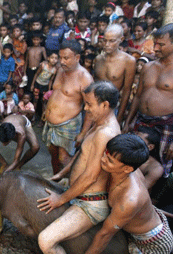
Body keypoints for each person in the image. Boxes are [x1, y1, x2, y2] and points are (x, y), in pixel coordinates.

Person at [37, 81, 121, 254]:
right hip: (79, 193)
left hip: (90, 204)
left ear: (105, 105)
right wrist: (63, 172)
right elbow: (82, 152)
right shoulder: (99, 124)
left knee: (45, 241)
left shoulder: (106, 133)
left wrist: (61, 199)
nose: (85, 109)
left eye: (89, 104)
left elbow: (91, 176)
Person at [85, 134, 173, 254]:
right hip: (144, 221)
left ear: (127, 169)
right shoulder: (126, 171)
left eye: (110, 160)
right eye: (106, 153)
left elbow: (104, 235)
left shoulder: (129, 200)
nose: (103, 159)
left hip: (153, 244)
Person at [124, 24, 173, 179]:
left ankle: (149, 201)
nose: (156, 48)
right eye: (155, 43)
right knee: (131, 162)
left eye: (161, 44)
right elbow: (138, 96)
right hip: (141, 122)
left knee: (159, 167)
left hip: (166, 125)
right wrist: (128, 122)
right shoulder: (148, 66)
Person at [42, 40, 93, 175]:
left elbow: (90, 108)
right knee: (53, 154)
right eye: (60, 57)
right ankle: (55, 180)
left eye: (66, 58)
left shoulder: (85, 78)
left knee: (64, 159)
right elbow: (57, 93)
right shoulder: (60, 70)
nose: (62, 61)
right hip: (51, 123)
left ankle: (71, 188)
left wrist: (83, 133)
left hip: (68, 124)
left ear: (77, 58)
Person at [94, 24, 136, 123]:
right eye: (105, 40)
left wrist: (119, 117)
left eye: (112, 41)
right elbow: (94, 85)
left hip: (113, 107)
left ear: (121, 39)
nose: (107, 44)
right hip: (95, 105)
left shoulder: (128, 61)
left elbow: (126, 91)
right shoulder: (98, 59)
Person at [135, 126, 164, 192]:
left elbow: (140, 190)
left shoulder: (156, 168)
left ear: (150, 147)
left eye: (138, 140)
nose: (133, 141)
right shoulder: (125, 152)